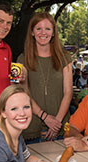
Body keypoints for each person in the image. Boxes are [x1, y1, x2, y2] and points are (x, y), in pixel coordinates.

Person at [17, 12, 72, 143]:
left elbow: (68, 92)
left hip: (60, 128)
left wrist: (56, 123)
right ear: (32, 32)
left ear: (53, 33)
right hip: (32, 127)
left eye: (47, 29)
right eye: (39, 28)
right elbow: (24, 94)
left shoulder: (65, 57)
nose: (43, 33)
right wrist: (45, 117)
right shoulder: (22, 59)